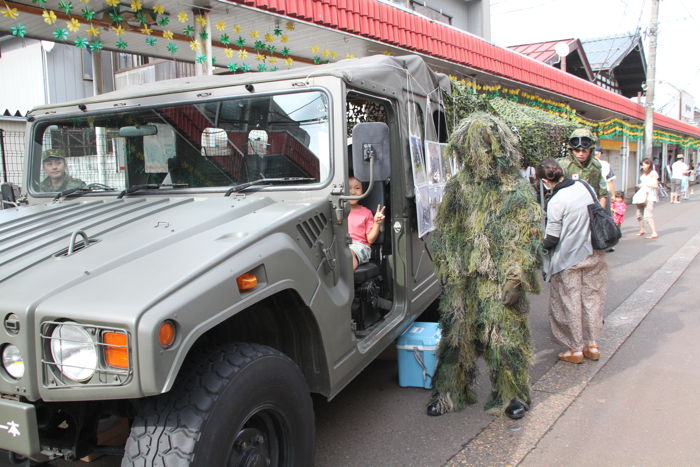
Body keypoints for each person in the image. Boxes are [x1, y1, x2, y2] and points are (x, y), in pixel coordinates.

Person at [427, 112, 542, 420]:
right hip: (463, 277)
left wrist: (516, 276)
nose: (479, 155)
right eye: (472, 148)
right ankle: (449, 393)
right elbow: (445, 229)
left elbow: (528, 234)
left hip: (498, 278)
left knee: (504, 339)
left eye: (486, 147)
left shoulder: (515, 189)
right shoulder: (457, 187)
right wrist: (448, 264)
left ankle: (512, 395)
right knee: (455, 336)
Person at [538, 157, 607, 365]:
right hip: (594, 253)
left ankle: (575, 349)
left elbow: (552, 238)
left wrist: (536, 248)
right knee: (592, 299)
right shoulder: (584, 186)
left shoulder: (556, 201)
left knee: (570, 303)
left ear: (544, 181)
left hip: (568, 260)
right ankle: (592, 345)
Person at [558, 129, 609, 208]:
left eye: (584, 151)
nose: (581, 154)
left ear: (591, 150)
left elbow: (602, 192)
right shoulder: (562, 166)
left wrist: (600, 213)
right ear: (571, 150)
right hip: (568, 210)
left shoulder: (595, 166)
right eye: (577, 151)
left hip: (591, 210)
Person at [347, 176, 385, 270]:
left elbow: (370, 239)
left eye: (357, 188)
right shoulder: (339, 211)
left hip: (360, 247)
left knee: (347, 253)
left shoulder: (366, 213)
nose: (352, 192)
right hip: (343, 245)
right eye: (348, 188)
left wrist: (377, 223)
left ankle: (347, 279)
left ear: (363, 192)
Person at [636, 158, 659, 239]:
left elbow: (655, 185)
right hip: (641, 196)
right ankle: (642, 229)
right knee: (639, 214)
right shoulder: (643, 173)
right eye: (642, 164)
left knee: (647, 215)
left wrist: (646, 184)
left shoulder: (653, 173)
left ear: (649, 165)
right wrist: (640, 185)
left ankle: (654, 232)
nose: (643, 166)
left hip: (649, 196)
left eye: (644, 164)